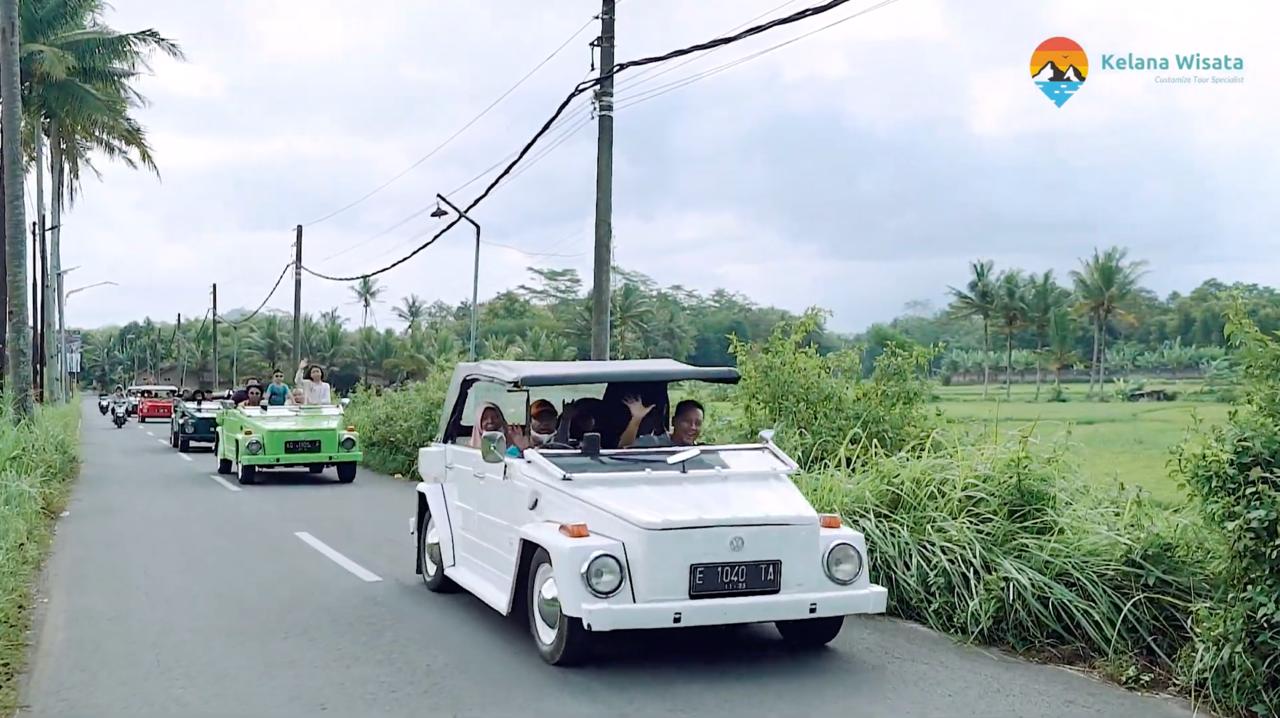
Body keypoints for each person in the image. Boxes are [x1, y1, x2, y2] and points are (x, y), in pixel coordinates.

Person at [626, 399, 705, 448]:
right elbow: (624, 450)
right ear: (673, 421)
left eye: (698, 423)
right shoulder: (652, 443)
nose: (693, 427)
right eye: (687, 421)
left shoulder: (702, 451)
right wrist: (636, 420)